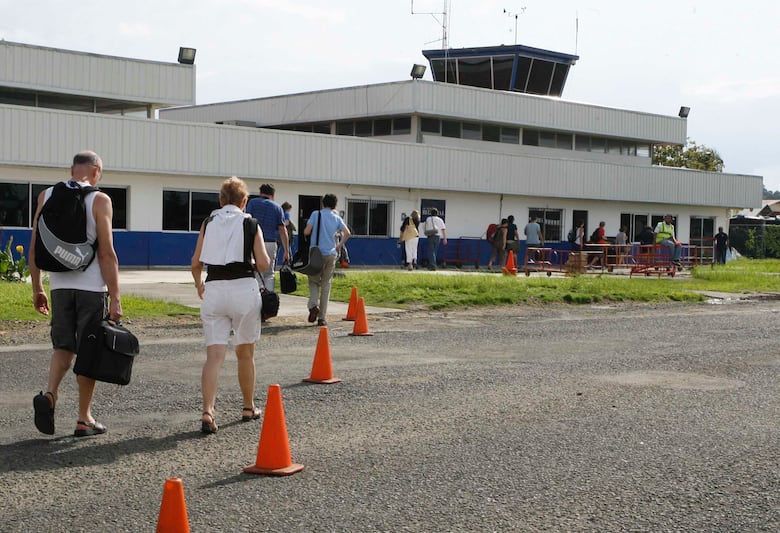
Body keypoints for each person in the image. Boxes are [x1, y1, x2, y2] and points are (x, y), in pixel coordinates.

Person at [29, 150, 122, 437]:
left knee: (62, 347)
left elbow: (34, 246)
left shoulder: (46, 196)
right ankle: (84, 419)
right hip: (91, 287)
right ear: (96, 172)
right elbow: (106, 253)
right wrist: (116, 297)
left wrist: (37, 287)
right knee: (89, 351)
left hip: (59, 285)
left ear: (72, 170)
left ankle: (50, 395)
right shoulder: (100, 199)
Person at [191, 177, 271, 434]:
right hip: (243, 290)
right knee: (245, 353)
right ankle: (248, 407)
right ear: (244, 201)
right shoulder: (250, 223)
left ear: (220, 200)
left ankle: (207, 411)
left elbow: (196, 262)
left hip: (214, 288)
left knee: (213, 356)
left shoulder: (208, 222)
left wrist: (198, 285)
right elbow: (263, 263)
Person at [303, 194, 350, 326]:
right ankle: (322, 318)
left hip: (316, 253)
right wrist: (339, 246)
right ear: (335, 205)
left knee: (313, 281)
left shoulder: (315, 214)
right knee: (326, 285)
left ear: (323, 203)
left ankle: (313, 306)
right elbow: (347, 233)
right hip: (331, 253)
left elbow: (307, 232)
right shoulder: (336, 217)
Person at [245, 184, 290, 293]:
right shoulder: (277, 207)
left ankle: (259, 291)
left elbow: (246, 221)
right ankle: (269, 297)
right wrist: (286, 251)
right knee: (269, 273)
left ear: (260, 192)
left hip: (255, 242)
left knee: (256, 271)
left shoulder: (253, 203)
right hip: (271, 243)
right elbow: (283, 230)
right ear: (272, 194)